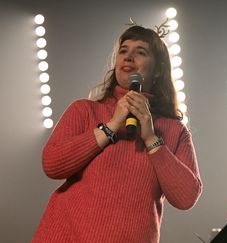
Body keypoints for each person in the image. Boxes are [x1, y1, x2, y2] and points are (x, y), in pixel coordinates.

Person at [32, 23, 202, 243]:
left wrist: (151, 138)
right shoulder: (84, 110)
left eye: (140, 52)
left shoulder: (174, 130)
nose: (129, 57)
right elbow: (52, 164)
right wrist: (111, 126)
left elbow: (186, 198)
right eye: (124, 51)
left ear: (158, 69)